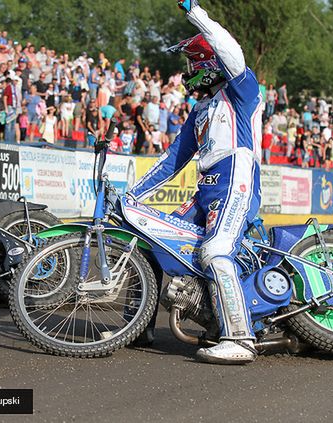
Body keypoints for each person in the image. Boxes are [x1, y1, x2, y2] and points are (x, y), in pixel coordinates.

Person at [128, 0, 262, 364]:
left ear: (208, 63)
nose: (187, 72)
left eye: (192, 64)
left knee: (215, 251)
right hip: (207, 188)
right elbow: (173, 159)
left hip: (236, 180)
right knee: (152, 240)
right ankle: (137, 328)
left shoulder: (241, 92)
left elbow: (228, 48)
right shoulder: (201, 109)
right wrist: (131, 197)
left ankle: (241, 339)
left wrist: (195, 13)